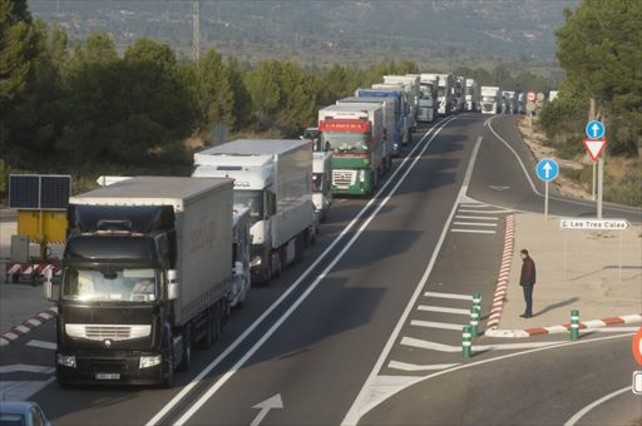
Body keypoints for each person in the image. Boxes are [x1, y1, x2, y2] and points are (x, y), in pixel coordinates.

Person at [519, 248, 536, 318]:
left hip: (528, 283)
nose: (520, 256)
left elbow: (529, 274)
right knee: (526, 298)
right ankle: (527, 312)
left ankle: (529, 313)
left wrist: (526, 282)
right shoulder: (526, 261)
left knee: (528, 298)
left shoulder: (529, 262)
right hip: (526, 283)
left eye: (521, 255)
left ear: (525, 254)